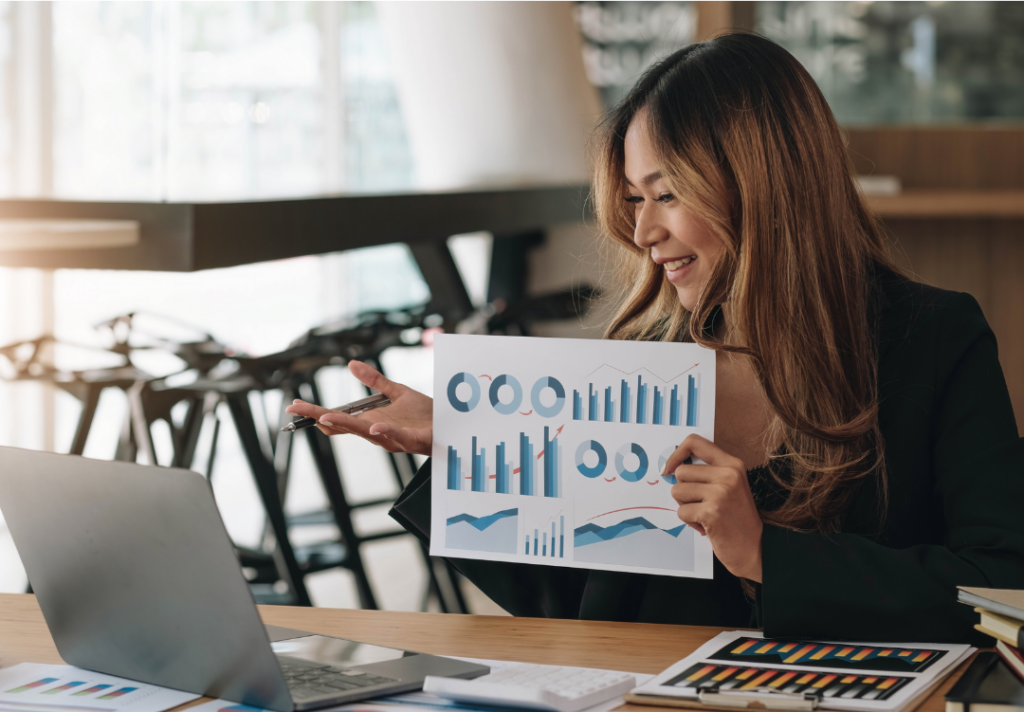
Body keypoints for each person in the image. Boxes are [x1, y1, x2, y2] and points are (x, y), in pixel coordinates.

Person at [287, 33, 1024, 643]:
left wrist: (765, 553)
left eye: (668, 194)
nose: (643, 233)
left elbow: (1002, 587)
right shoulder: (641, 366)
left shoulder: (934, 339)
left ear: (764, 183)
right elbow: (568, 610)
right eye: (635, 199)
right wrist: (475, 453)